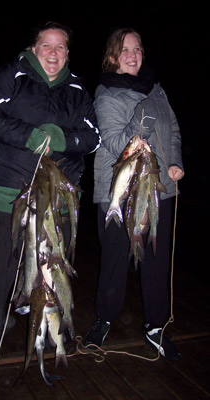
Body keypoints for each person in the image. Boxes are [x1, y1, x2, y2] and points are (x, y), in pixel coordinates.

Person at [0, 21, 101, 377]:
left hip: (58, 196)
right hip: (2, 191)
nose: (53, 54)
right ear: (34, 48)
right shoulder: (12, 75)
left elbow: (93, 137)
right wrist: (30, 136)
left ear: (68, 53)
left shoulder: (78, 89)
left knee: (52, 270)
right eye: (46, 46)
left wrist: (61, 138)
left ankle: (55, 334)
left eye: (60, 48)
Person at [84, 28, 184, 360]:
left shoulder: (157, 89)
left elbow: (172, 129)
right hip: (119, 190)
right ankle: (105, 319)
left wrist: (175, 163)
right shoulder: (106, 93)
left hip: (158, 188)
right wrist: (144, 114)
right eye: (124, 49)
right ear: (112, 56)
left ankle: (156, 326)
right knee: (115, 259)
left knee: (156, 258)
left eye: (137, 49)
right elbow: (114, 143)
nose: (132, 54)